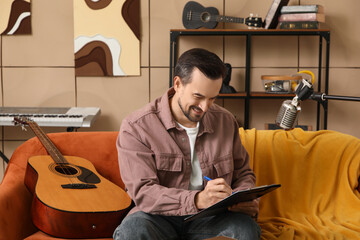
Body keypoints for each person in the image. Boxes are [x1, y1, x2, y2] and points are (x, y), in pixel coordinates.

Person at [113, 48, 261, 240]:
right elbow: (143, 192)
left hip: (212, 217)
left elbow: (243, 173)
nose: (205, 107)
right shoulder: (136, 127)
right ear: (177, 84)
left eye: (213, 98)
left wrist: (242, 198)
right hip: (157, 218)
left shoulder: (225, 121)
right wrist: (197, 199)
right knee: (132, 230)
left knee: (245, 229)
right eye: (198, 97)